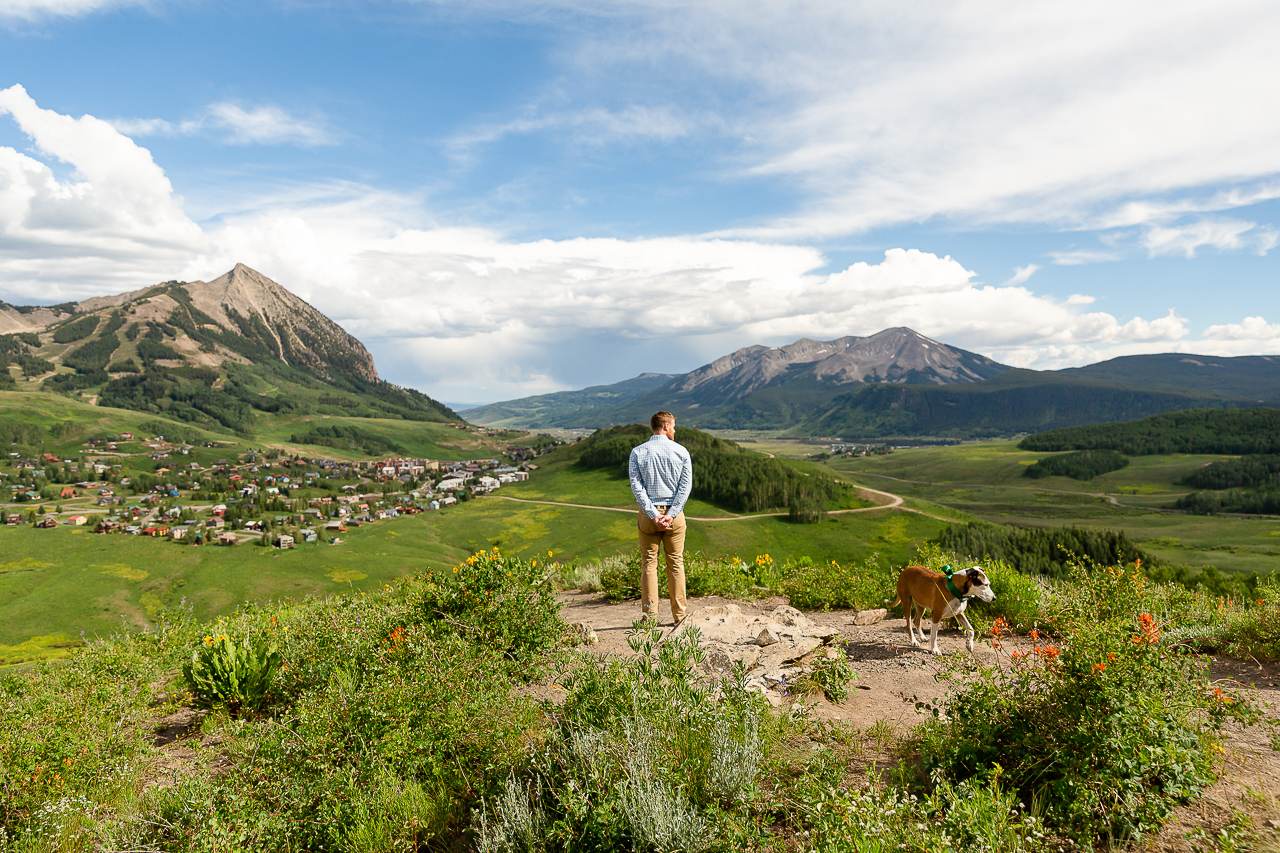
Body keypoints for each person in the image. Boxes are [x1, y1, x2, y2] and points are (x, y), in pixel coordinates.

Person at [628, 411, 693, 627]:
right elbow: (685, 488)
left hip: (649, 516)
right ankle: (680, 617)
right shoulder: (682, 451)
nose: (674, 430)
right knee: (675, 563)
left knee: (649, 564)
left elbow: (637, 488)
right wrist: (671, 514)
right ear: (665, 426)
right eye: (673, 426)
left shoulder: (637, 452)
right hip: (674, 517)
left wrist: (654, 514)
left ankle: (649, 618)